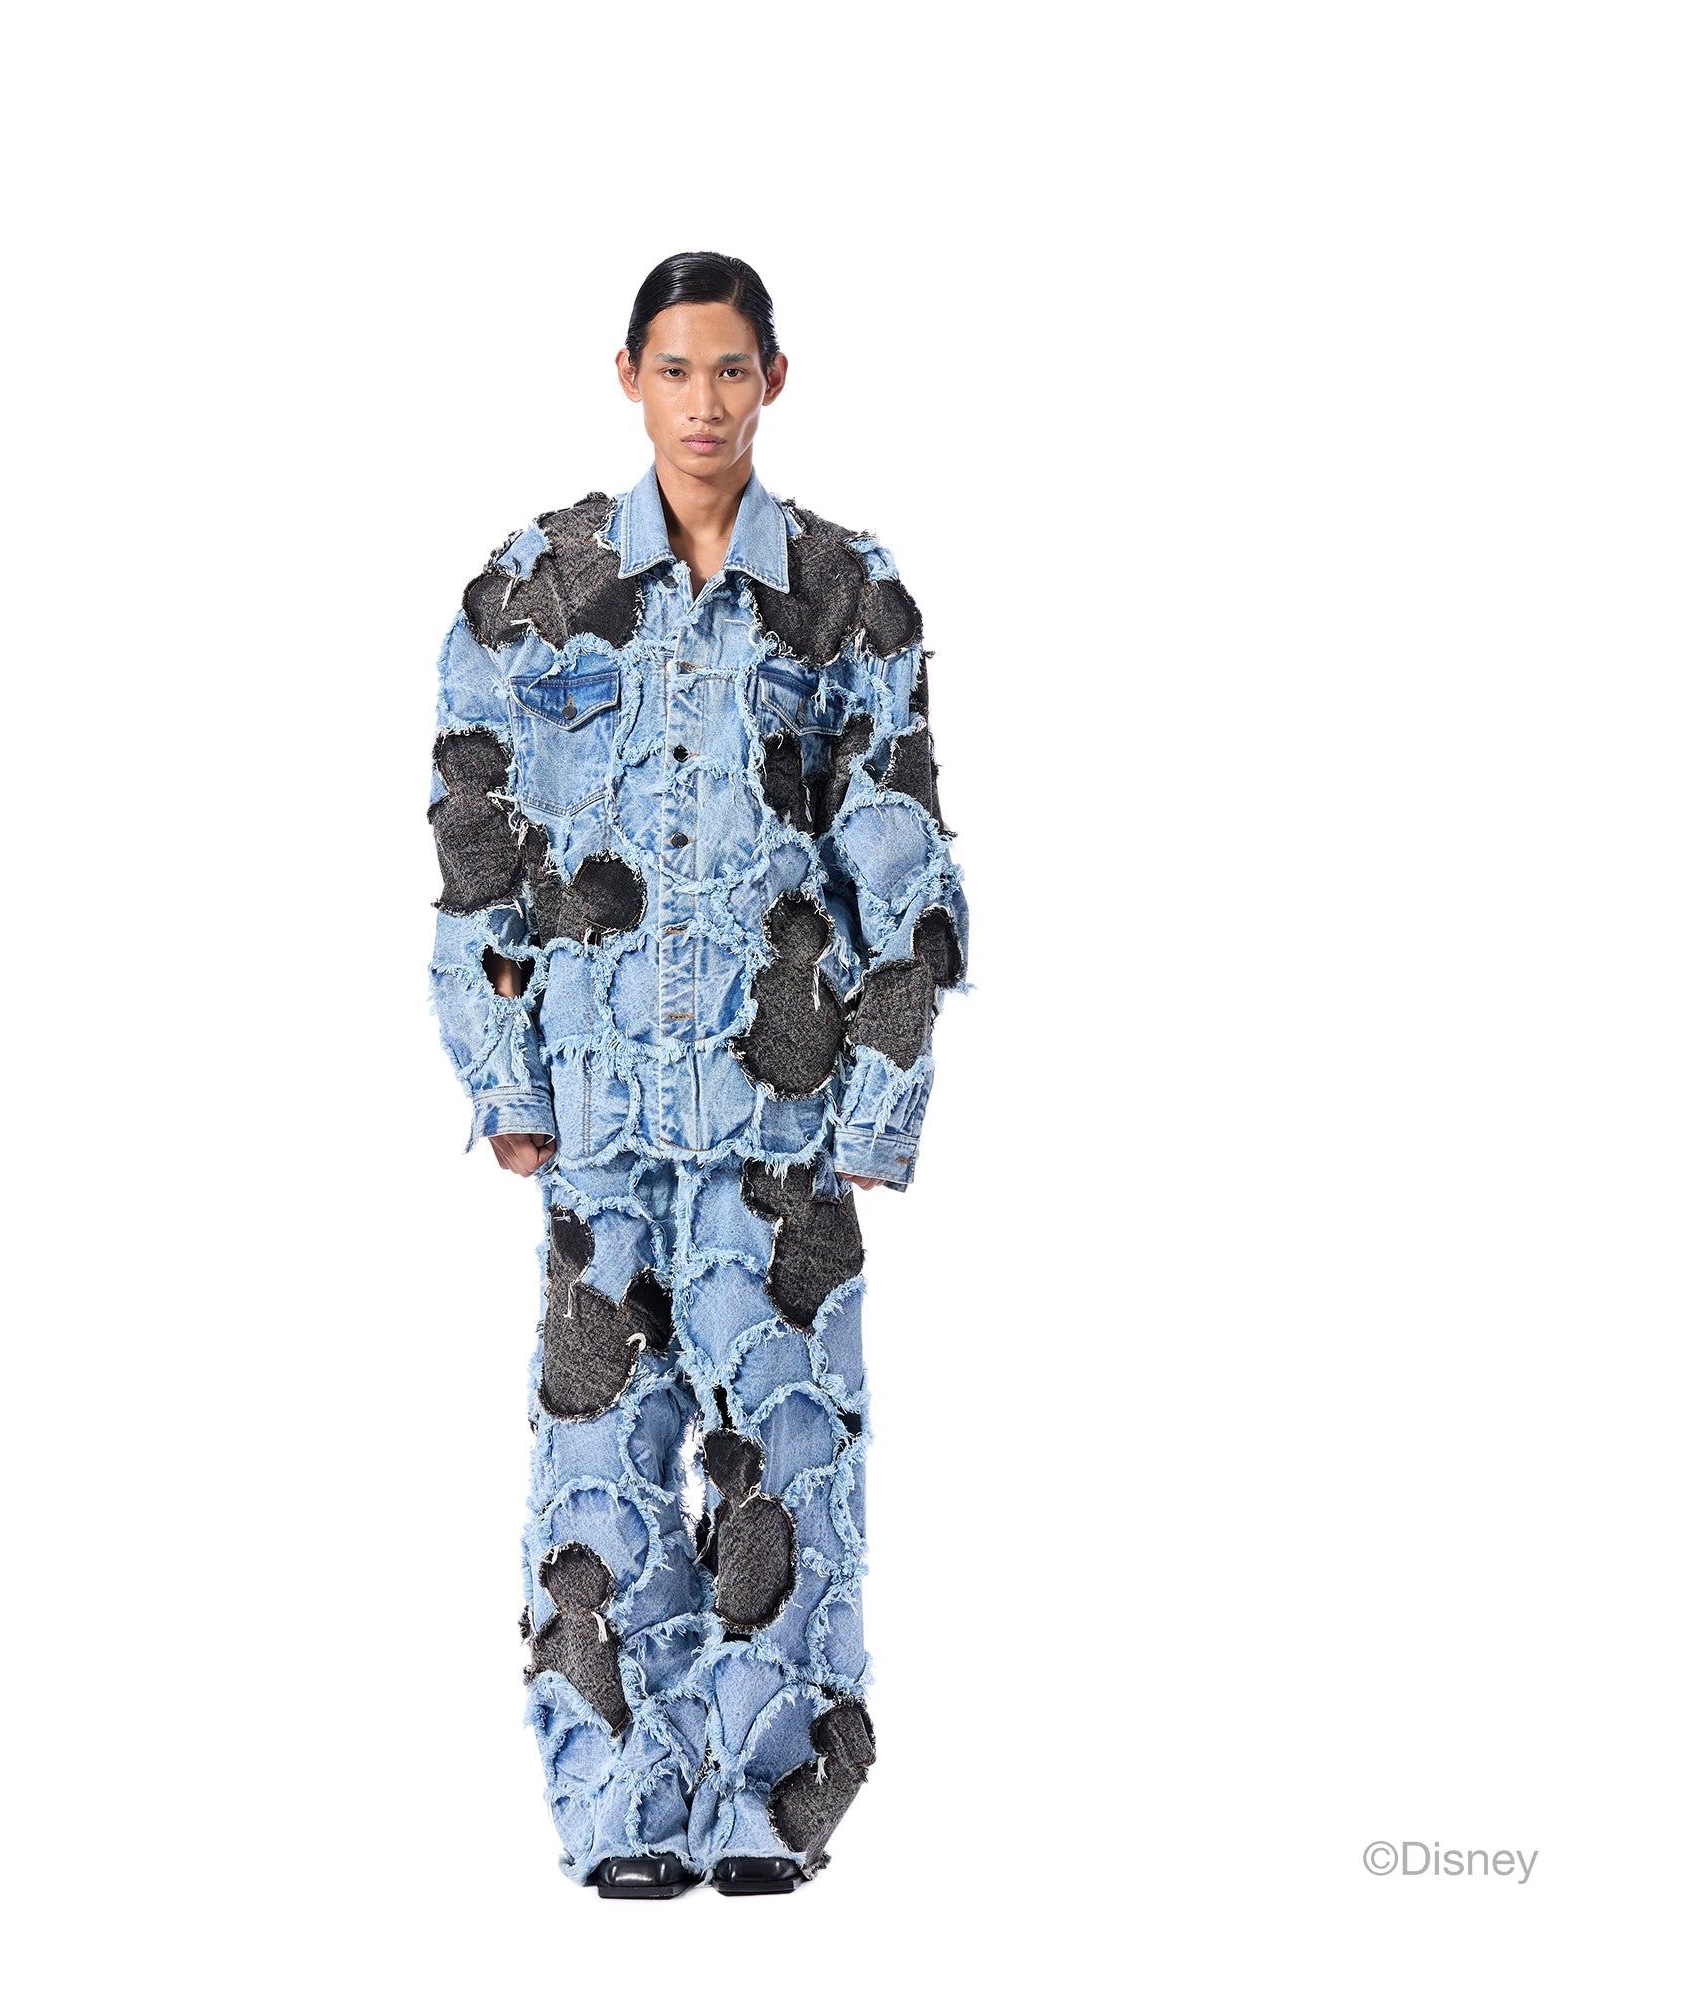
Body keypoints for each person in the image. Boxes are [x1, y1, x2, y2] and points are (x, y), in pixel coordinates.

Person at [425, 252, 968, 1898]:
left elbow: (904, 855)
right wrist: (503, 1073)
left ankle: (767, 1809)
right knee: (599, 1470)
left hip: (777, 1132)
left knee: (783, 1470)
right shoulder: (535, 588)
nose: (706, 403)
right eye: (677, 369)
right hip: (599, 1120)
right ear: (630, 376)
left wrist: (879, 1096)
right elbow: (474, 840)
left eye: (733, 369)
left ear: (774, 380)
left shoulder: (847, 594)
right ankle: (623, 1808)